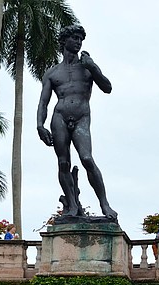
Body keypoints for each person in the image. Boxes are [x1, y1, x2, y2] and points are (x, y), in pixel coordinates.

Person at [37, 24, 117, 220]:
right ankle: (72, 205)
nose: (78, 42)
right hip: (60, 117)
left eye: (80, 39)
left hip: (81, 116)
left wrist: (92, 67)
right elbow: (43, 102)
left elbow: (107, 87)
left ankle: (105, 205)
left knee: (87, 159)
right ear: (64, 41)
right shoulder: (53, 73)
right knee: (63, 163)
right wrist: (40, 125)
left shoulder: (87, 66)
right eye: (74, 38)